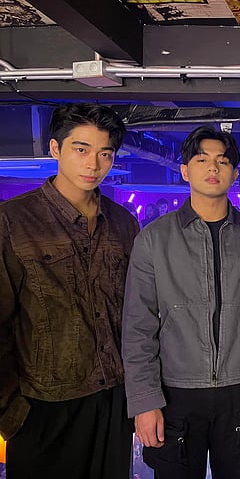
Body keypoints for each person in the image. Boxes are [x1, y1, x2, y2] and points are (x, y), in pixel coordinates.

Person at [122, 126, 240, 479]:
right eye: (202, 160)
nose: (213, 168)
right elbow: (138, 326)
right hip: (175, 392)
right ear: (185, 170)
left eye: (222, 161)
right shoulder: (154, 239)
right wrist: (144, 400)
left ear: (234, 173)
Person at [0, 102, 139, 478]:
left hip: (114, 398)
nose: (93, 164)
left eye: (104, 153)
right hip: (44, 405)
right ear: (55, 148)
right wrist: (11, 413)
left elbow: (137, 316)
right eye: (81, 149)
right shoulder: (13, 221)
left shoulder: (123, 223)